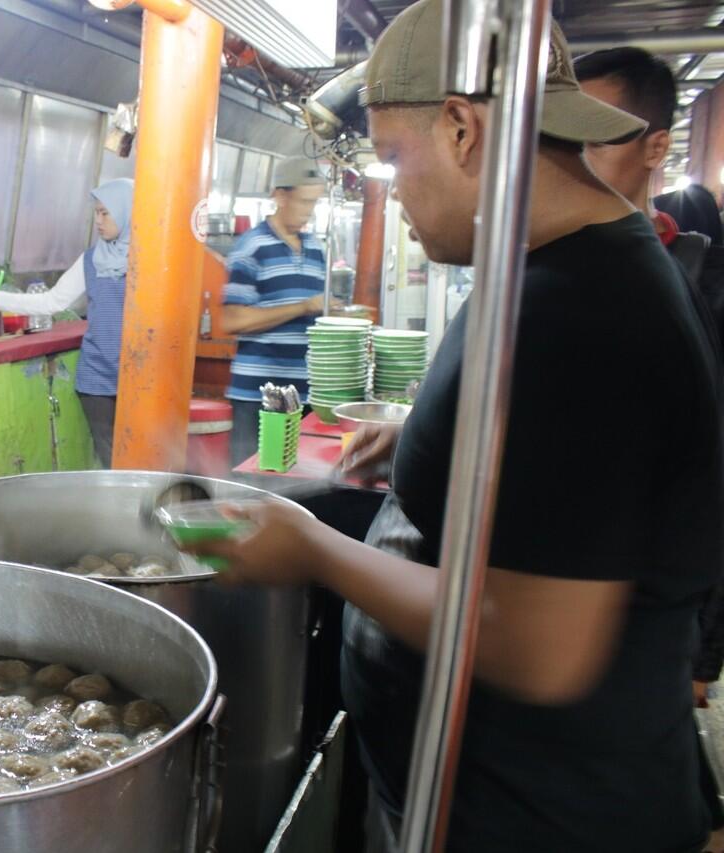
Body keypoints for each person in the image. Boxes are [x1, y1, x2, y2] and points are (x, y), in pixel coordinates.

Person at [189, 2, 724, 850]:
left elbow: (540, 643)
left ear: (464, 128)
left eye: (395, 158)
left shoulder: (587, 315)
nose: (392, 191)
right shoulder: (549, 267)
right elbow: (568, 466)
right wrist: (433, 439)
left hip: (544, 819)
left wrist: (311, 546)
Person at [574, 44, 724, 710]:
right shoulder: (555, 272)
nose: (568, 158)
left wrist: (705, 653)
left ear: (656, 148)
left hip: (646, 635)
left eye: (594, 137)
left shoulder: (698, 283)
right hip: (564, 594)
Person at [0, 178, 132, 467]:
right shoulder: (91, 259)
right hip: (98, 376)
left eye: (106, 213)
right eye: (96, 213)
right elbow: (52, 302)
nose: (98, 221)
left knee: (142, 456)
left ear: (129, 212)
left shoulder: (153, 260)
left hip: (138, 374)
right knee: (112, 459)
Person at [219, 157, 332, 465]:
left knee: (297, 481)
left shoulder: (315, 248)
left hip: (305, 394)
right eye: (303, 202)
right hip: (259, 395)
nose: (309, 211)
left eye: (314, 203)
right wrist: (303, 306)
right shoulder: (252, 246)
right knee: (251, 480)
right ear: (280, 196)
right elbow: (232, 320)